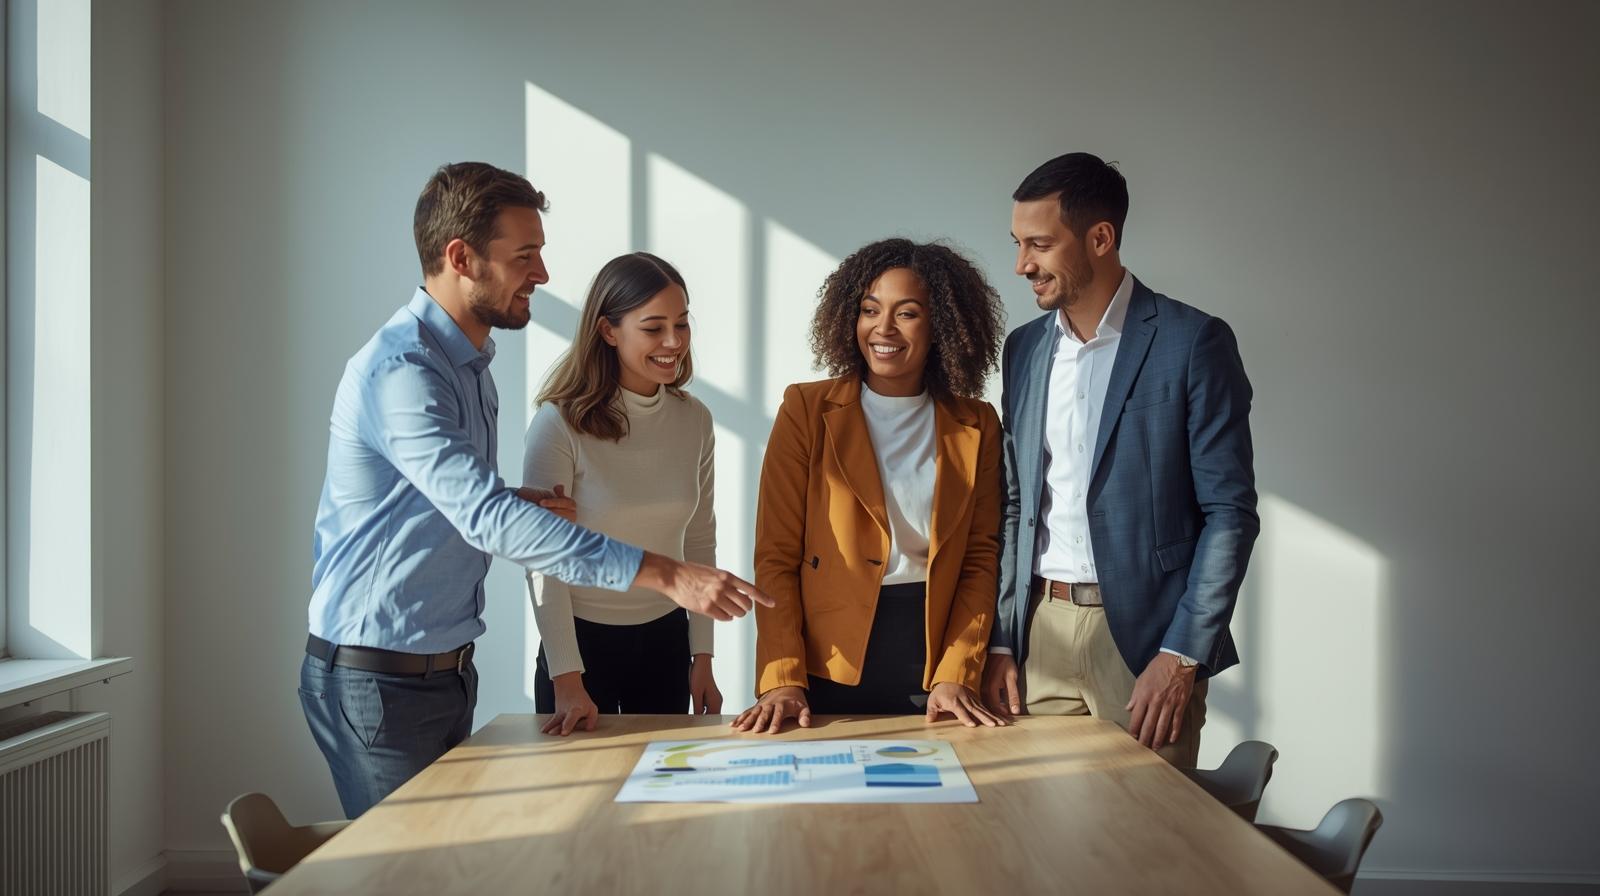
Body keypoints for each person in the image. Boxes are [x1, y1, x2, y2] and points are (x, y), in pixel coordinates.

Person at [302, 162, 769, 817]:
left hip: (443, 670)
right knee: (405, 870)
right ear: (461, 257)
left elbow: (456, 505)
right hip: (378, 676)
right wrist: (667, 574)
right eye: (526, 256)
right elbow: (486, 519)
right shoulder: (404, 372)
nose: (543, 275)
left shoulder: (469, 369)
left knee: (446, 860)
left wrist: (521, 505)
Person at [982, 152, 1258, 768]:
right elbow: (1017, 503)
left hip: (1142, 643)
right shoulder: (1023, 350)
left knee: (1145, 850)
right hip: (1041, 633)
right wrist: (1003, 639)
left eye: (1040, 244)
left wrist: (1183, 652)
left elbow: (1229, 513)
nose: (1022, 264)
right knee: (1038, 840)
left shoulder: (1192, 342)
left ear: (1101, 238)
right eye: (1018, 243)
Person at [733, 238, 1008, 734]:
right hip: (825, 662)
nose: (882, 329)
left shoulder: (978, 423)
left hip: (934, 665)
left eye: (907, 313)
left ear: (941, 324)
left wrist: (959, 670)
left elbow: (980, 558)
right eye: (869, 310)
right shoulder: (805, 410)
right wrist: (781, 677)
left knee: (939, 807)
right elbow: (775, 555)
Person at [524, 252, 723, 735]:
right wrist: (567, 678)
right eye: (653, 328)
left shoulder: (694, 419)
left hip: (666, 639)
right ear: (608, 330)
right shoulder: (559, 424)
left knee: (665, 795)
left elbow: (699, 539)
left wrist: (703, 656)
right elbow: (543, 559)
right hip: (580, 647)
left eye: (681, 323)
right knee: (579, 797)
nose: (673, 342)